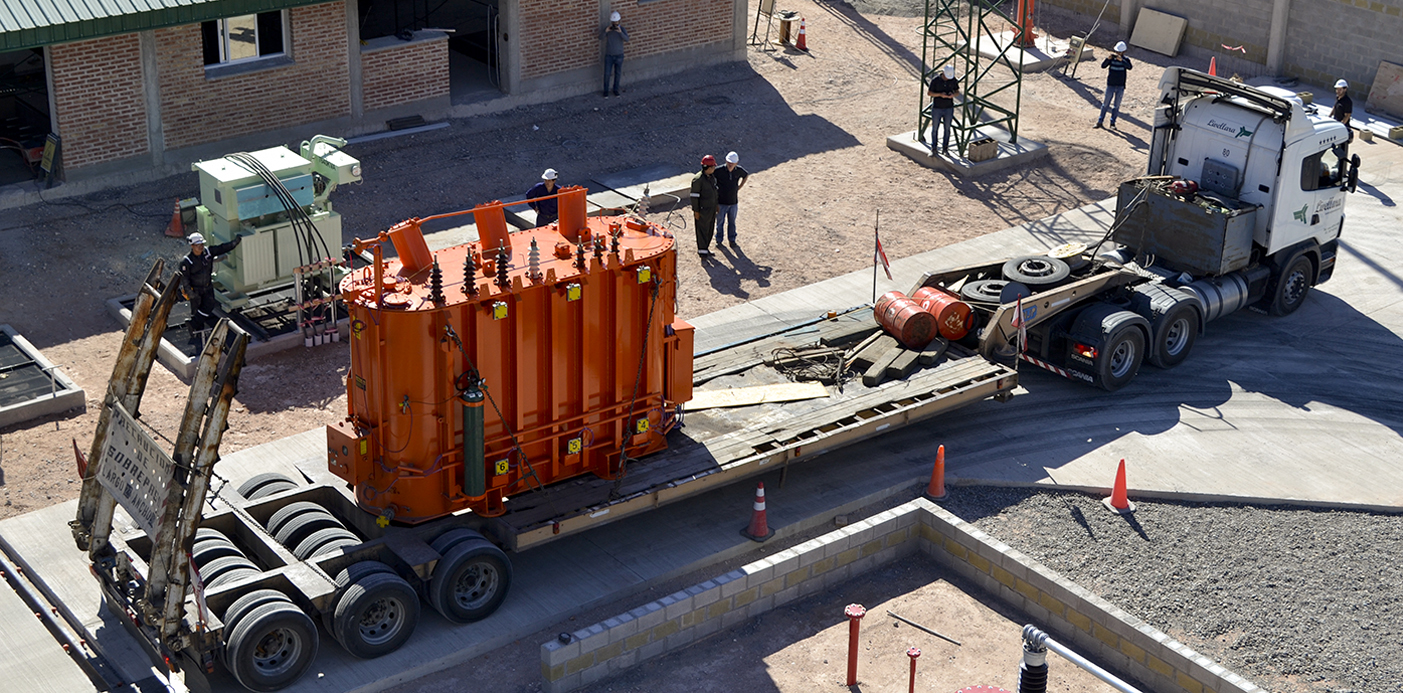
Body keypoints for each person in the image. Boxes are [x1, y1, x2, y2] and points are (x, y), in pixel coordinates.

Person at [179, 232, 241, 345]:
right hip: (195, 290)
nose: (200, 247)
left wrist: (234, 243)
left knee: (209, 306)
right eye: (197, 245)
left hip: (207, 287)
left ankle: (193, 324)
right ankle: (196, 335)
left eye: (201, 244)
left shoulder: (207, 253)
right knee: (196, 310)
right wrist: (190, 293)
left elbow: (221, 248)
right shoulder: (187, 262)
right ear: (192, 246)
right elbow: (185, 279)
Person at [714, 151, 749, 248]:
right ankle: (719, 240)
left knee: (732, 222)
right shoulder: (718, 171)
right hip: (721, 202)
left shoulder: (739, 171)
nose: (730, 165)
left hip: (733, 203)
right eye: (729, 162)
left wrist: (740, 187)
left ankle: (732, 240)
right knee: (720, 222)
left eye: (732, 163)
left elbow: (745, 175)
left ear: (736, 163)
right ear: (725, 161)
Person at [1095, 42, 1132, 129]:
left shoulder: (1126, 60)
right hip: (1111, 85)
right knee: (1105, 104)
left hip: (1120, 86)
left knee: (1116, 106)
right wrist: (1108, 59)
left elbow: (1129, 67)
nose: (1117, 54)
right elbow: (1103, 66)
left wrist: (1122, 60)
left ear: (1123, 52)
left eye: (1119, 52)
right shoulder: (1111, 59)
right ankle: (1100, 121)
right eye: (1117, 52)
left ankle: (1112, 123)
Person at [690, 155, 720, 256]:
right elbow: (694, 197)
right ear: (709, 168)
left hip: (711, 210)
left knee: (710, 229)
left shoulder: (711, 177)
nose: (714, 168)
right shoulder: (698, 180)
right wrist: (696, 211)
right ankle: (702, 252)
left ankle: (705, 249)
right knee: (702, 230)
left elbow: (715, 192)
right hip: (703, 211)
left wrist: (716, 205)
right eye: (713, 167)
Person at [926, 64, 960, 153]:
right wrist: (940, 95)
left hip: (949, 108)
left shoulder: (953, 80)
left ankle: (945, 148)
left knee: (947, 128)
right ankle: (934, 147)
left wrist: (953, 95)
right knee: (935, 128)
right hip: (937, 108)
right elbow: (929, 93)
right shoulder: (935, 81)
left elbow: (957, 92)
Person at [601, 12, 629, 98]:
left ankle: (615, 90)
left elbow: (627, 39)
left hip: (619, 55)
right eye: (613, 22)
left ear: (619, 21)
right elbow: (600, 37)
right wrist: (605, 31)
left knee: (618, 73)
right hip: (609, 55)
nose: (615, 24)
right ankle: (606, 91)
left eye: (616, 22)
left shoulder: (622, 29)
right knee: (607, 74)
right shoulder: (608, 29)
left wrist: (620, 32)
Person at [1331, 78, 1354, 160]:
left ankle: (1341, 162)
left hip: (1343, 126)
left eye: (1340, 89)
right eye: (1337, 89)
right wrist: (1329, 117)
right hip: (1336, 123)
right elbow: (1335, 107)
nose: (1338, 91)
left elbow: (1347, 116)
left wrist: (1341, 125)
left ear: (1345, 89)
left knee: (1342, 145)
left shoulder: (1347, 102)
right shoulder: (1338, 98)